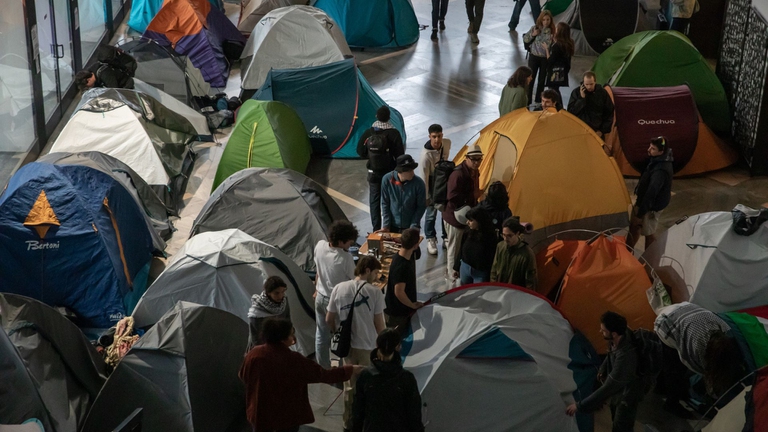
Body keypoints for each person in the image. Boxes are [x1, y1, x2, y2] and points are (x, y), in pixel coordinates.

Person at [240, 318, 363, 432]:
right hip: (286, 418)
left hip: (259, 415)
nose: (294, 337)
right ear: (283, 339)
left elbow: (243, 375)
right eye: (291, 334)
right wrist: (349, 369)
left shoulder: (254, 354)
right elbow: (323, 375)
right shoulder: (294, 360)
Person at [326, 256, 387, 432]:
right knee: (369, 386)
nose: (377, 277)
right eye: (376, 273)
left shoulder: (339, 288)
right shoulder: (374, 292)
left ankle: (348, 424)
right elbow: (379, 325)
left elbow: (329, 318)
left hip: (347, 347)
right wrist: (384, 347)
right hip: (367, 346)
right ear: (367, 270)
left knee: (350, 387)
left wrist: (337, 332)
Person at [566, 312, 646, 431]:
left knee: (621, 423)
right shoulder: (620, 334)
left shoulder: (626, 357)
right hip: (619, 390)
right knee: (615, 413)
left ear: (613, 334)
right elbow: (610, 352)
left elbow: (607, 388)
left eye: (603, 330)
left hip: (628, 393)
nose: (600, 332)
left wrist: (579, 406)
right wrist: (603, 368)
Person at [654, 302, 748, 397]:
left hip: (685, 309)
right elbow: (688, 362)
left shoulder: (725, 329)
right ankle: (672, 398)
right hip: (665, 322)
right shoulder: (695, 350)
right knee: (673, 369)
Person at [351, 328, 424, 432]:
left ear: (377, 345)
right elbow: (414, 416)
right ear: (398, 347)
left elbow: (358, 413)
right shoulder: (407, 379)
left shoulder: (365, 376)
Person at [314, 220, 359, 369]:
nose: (350, 246)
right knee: (342, 335)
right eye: (349, 243)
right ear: (341, 242)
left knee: (321, 335)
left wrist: (316, 288)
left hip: (320, 297)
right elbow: (355, 280)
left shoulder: (320, 246)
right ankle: (343, 367)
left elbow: (318, 272)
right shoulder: (345, 258)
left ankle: (324, 369)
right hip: (336, 303)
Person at [357, 106, 405, 232]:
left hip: (373, 173)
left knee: (374, 201)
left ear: (376, 117)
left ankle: (376, 229)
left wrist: (371, 157)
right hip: (390, 174)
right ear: (389, 118)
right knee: (390, 201)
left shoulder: (369, 133)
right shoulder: (394, 133)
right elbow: (400, 155)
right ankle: (391, 228)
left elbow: (359, 151)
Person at [443, 145, 482, 281]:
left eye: (479, 159)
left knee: (460, 246)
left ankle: (455, 271)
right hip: (454, 217)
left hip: (465, 215)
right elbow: (451, 196)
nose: (477, 162)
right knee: (453, 248)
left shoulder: (474, 171)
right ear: (467, 158)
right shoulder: (458, 174)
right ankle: (450, 276)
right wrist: (471, 196)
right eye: (474, 159)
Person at [627, 136, 673, 249]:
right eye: (650, 146)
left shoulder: (661, 170)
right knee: (634, 227)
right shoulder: (658, 160)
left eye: (652, 148)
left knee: (648, 233)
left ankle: (650, 261)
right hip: (644, 202)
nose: (648, 150)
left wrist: (640, 214)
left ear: (661, 151)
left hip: (651, 207)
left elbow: (651, 193)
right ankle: (627, 253)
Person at [419, 124, 452, 255]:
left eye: (439, 136)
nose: (437, 140)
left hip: (444, 178)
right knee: (431, 213)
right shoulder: (425, 156)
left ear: (442, 135)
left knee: (444, 210)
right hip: (432, 181)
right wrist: (426, 197)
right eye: (434, 137)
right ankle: (430, 238)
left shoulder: (447, 143)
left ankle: (446, 237)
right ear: (429, 137)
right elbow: (424, 178)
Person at [384, 228, 424, 334]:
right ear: (415, 245)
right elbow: (399, 292)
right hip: (397, 313)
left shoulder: (405, 256)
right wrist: (412, 305)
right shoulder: (402, 266)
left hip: (402, 309)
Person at [380, 155, 427, 234]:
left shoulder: (419, 183)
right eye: (408, 170)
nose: (412, 173)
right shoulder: (387, 180)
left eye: (412, 169)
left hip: (411, 226)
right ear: (400, 171)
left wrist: (413, 226)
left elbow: (421, 207)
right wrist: (386, 225)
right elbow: (385, 203)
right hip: (392, 225)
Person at [453, 207, 497, 284]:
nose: (467, 222)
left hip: (480, 273)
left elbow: (492, 257)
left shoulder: (490, 236)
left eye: (471, 220)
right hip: (465, 267)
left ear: (479, 221)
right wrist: (456, 267)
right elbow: (461, 249)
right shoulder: (467, 231)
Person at [490, 217, 537, 290]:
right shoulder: (500, 246)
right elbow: (494, 269)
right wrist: (493, 286)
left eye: (509, 235)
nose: (505, 239)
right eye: (503, 235)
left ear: (517, 233)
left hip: (515, 293)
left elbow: (530, 280)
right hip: (499, 290)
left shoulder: (527, 254)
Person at [247, 276, 290, 352]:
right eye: (276, 293)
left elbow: (287, 320)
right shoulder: (257, 311)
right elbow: (256, 339)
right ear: (269, 293)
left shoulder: (284, 302)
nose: (280, 296)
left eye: (283, 292)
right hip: (263, 349)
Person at [567, 71, 614, 137]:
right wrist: (581, 99)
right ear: (583, 83)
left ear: (595, 82)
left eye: (591, 84)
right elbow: (571, 112)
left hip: (596, 131)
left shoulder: (602, 93)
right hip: (579, 130)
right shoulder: (576, 93)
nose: (589, 87)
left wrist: (602, 131)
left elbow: (609, 112)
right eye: (586, 84)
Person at [522, 11, 554, 104]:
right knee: (530, 79)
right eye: (544, 20)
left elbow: (553, 45)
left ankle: (539, 101)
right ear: (540, 20)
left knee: (541, 80)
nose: (546, 22)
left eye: (548, 19)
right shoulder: (535, 28)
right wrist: (533, 34)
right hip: (534, 57)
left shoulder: (552, 31)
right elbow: (525, 39)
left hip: (544, 58)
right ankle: (528, 101)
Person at [544, 22, 574, 100]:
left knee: (553, 90)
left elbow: (550, 60)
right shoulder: (569, 43)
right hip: (563, 71)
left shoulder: (557, 46)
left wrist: (547, 49)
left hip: (554, 72)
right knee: (556, 89)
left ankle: (558, 106)